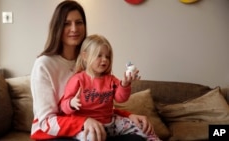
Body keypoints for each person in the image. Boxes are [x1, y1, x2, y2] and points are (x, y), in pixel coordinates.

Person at [30, 0, 155, 141]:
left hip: (89, 126)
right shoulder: (44, 64)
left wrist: (128, 116)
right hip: (54, 133)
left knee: (137, 139)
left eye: (79, 22)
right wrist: (83, 121)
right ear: (57, 27)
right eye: (67, 23)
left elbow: (96, 105)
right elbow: (46, 122)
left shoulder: (91, 61)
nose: (74, 29)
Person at [60, 34, 161, 141]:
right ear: (85, 56)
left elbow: (121, 98)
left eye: (107, 56)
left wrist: (125, 84)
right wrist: (71, 103)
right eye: (99, 55)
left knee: (141, 127)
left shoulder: (111, 79)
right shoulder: (78, 79)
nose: (104, 60)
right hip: (88, 126)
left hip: (111, 123)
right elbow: (64, 106)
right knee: (89, 137)